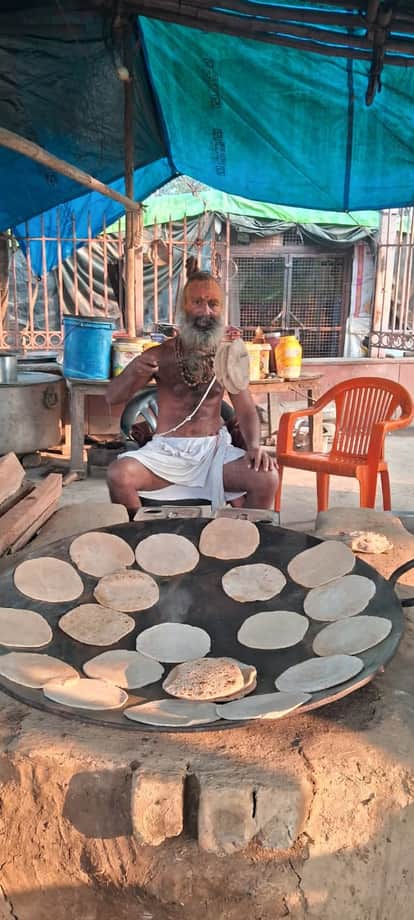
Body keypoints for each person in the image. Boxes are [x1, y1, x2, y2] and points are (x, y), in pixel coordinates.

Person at [106, 268, 278, 517]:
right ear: (184, 308)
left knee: (266, 477)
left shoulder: (227, 356)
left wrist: (254, 446)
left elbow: (246, 409)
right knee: (118, 475)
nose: (206, 311)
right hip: (166, 453)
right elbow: (112, 397)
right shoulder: (160, 354)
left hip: (213, 453)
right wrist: (134, 370)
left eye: (213, 304)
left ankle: (245, 541)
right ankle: (139, 538)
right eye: (197, 302)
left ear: (221, 309)